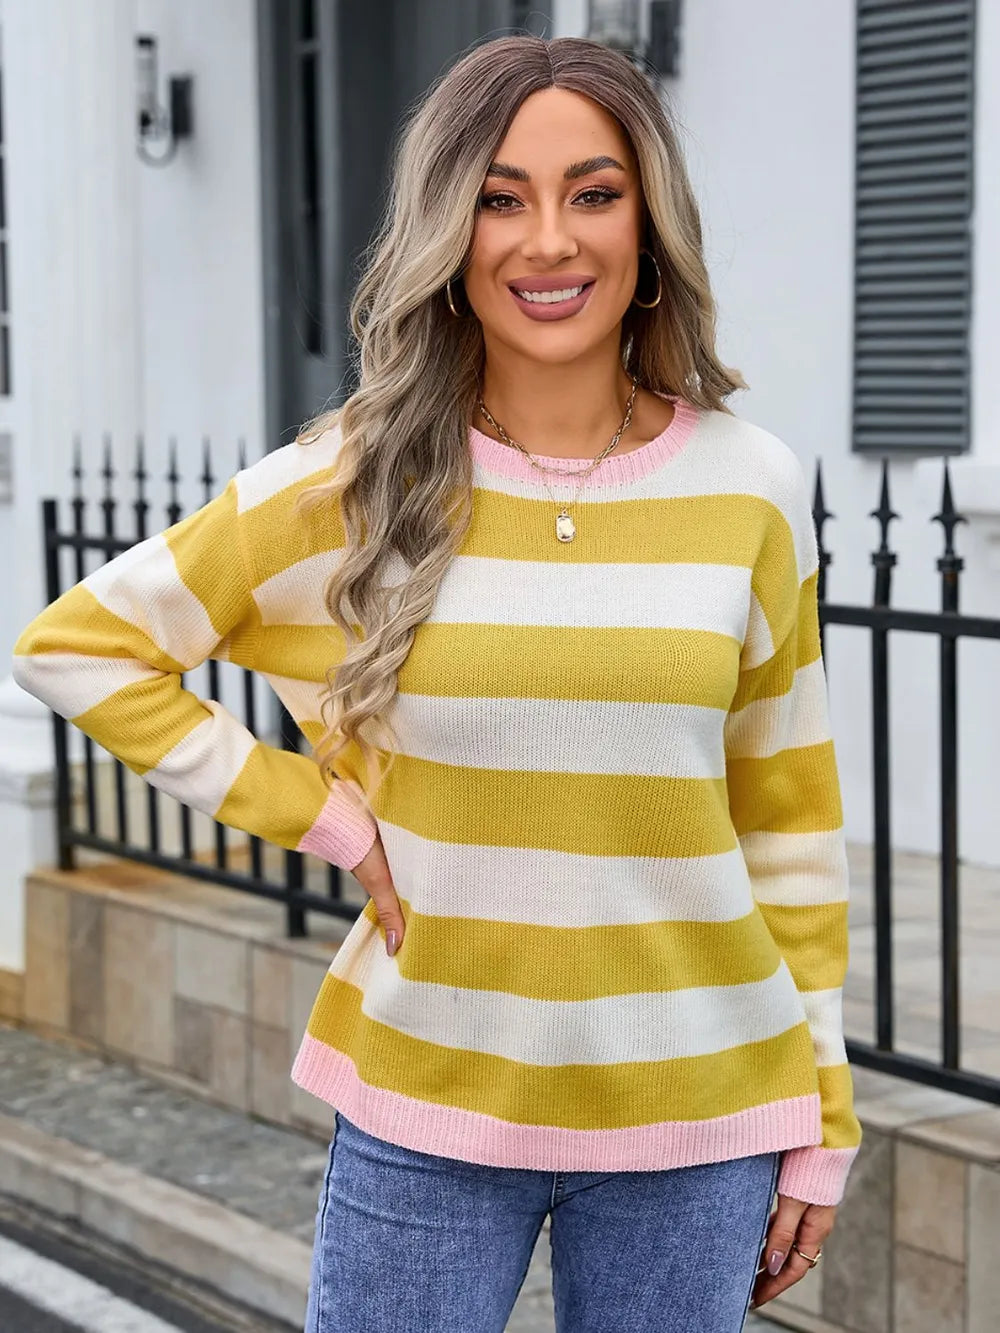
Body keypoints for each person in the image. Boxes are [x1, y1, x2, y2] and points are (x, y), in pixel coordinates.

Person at [12, 34, 861, 1333]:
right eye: (500, 197)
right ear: (448, 233)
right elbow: (79, 643)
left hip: (704, 1112)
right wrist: (326, 818)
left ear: (650, 223)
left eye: (593, 191)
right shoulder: (355, 479)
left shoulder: (749, 484)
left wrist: (824, 1122)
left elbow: (787, 820)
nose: (548, 241)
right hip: (430, 1100)